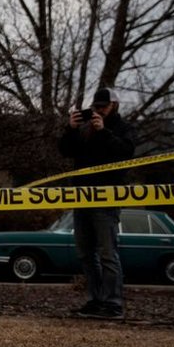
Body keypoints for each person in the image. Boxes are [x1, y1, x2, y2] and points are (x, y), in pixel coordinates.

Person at [58, 88, 135, 319]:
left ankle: (113, 303)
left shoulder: (124, 129)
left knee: (108, 253)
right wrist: (70, 129)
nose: (98, 110)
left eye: (103, 106)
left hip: (106, 197)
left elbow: (125, 153)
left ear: (114, 106)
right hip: (81, 196)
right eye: (95, 106)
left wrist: (104, 132)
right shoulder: (85, 128)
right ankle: (95, 299)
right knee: (84, 252)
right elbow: (65, 151)